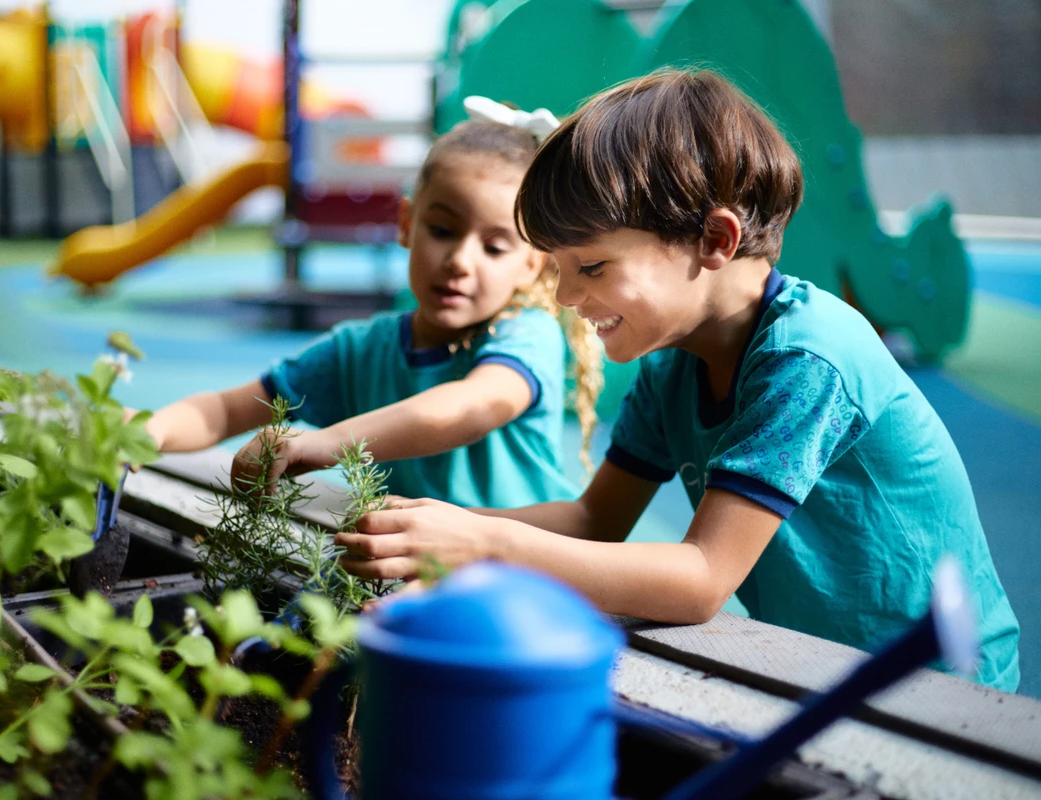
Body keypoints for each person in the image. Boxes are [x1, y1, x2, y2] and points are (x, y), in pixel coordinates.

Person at [336, 69, 1020, 691]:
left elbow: (702, 579)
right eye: (560, 269)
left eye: (591, 267)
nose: (566, 297)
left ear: (714, 241)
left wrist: (484, 544)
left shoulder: (808, 359)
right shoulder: (673, 365)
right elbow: (594, 520)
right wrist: (435, 530)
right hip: (822, 672)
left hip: (937, 684)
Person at [139, 100, 602, 509]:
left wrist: (328, 443)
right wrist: (149, 432)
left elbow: (473, 407)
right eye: (442, 231)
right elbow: (227, 410)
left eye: (495, 248)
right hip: (411, 562)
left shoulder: (526, 334)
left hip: (524, 567)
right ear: (406, 224)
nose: (461, 262)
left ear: (532, 265)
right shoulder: (359, 352)